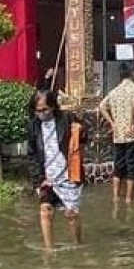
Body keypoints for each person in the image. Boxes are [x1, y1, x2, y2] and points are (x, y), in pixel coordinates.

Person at [28, 89, 84, 249]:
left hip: (68, 174)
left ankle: (77, 245)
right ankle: (49, 250)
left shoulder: (66, 119)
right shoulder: (33, 126)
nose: (41, 113)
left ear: (53, 106)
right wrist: (39, 179)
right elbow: (32, 155)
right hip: (47, 175)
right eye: (37, 110)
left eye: (45, 109)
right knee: (45, 210)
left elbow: (82, 136)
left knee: (71, 214)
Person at [98, 63, 134, 203]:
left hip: (118, 134)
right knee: (133, 166)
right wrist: (133, 123)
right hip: (133, 134)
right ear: (132, 73)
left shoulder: (114, 91)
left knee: (118, 165)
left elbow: (101, 106)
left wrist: (112, 123)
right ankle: (129, 199)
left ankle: (115, 197)